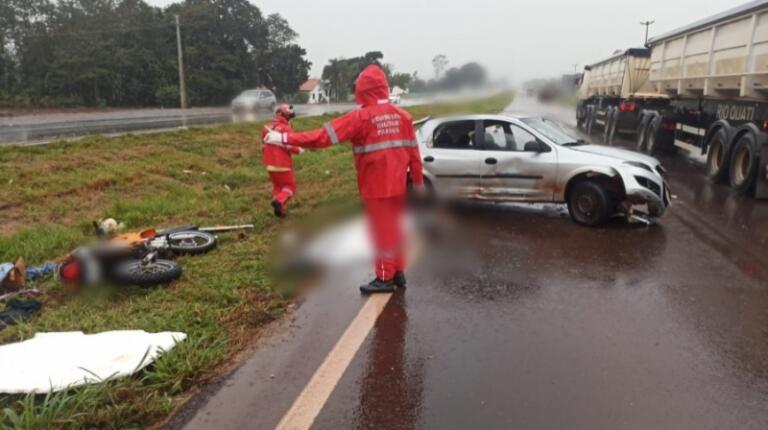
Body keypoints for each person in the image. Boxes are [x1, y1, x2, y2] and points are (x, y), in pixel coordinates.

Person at [265, 64, 424, 294]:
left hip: (375, 185)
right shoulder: (403, 117)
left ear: (362, 89)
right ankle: (398, 273)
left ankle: (384, 278)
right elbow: (414, 155)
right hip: (399, 184)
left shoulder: (361, 117)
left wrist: (283, 137)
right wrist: (417, 184)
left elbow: (321, 137)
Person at [262, 104, 303, 218]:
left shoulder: (266, 128)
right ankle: (279, 202)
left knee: (278, 187)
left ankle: (281, 210)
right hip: (282, 164)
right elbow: (290, 145)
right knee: (290, 187)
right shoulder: (286, 128)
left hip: (269, 164)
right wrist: (300, 150)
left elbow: (263, 146)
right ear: (287, 115)